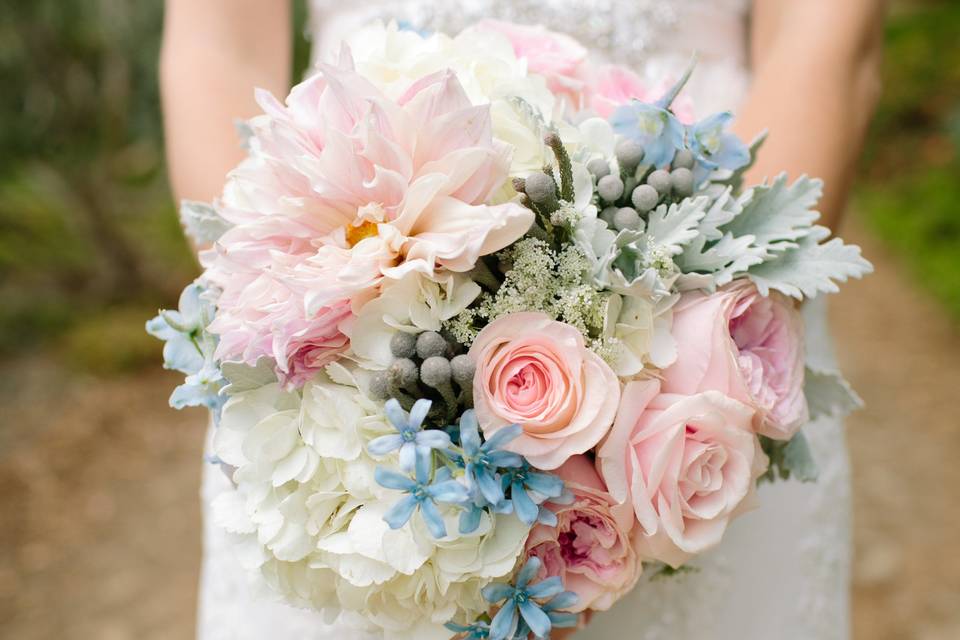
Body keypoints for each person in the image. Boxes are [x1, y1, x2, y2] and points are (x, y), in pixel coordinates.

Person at [161, 1, 884, 638]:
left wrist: (677, 391)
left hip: (695, 279)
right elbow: (215, 46)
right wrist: (300, 337)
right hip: (342, 315)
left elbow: (822, 35)